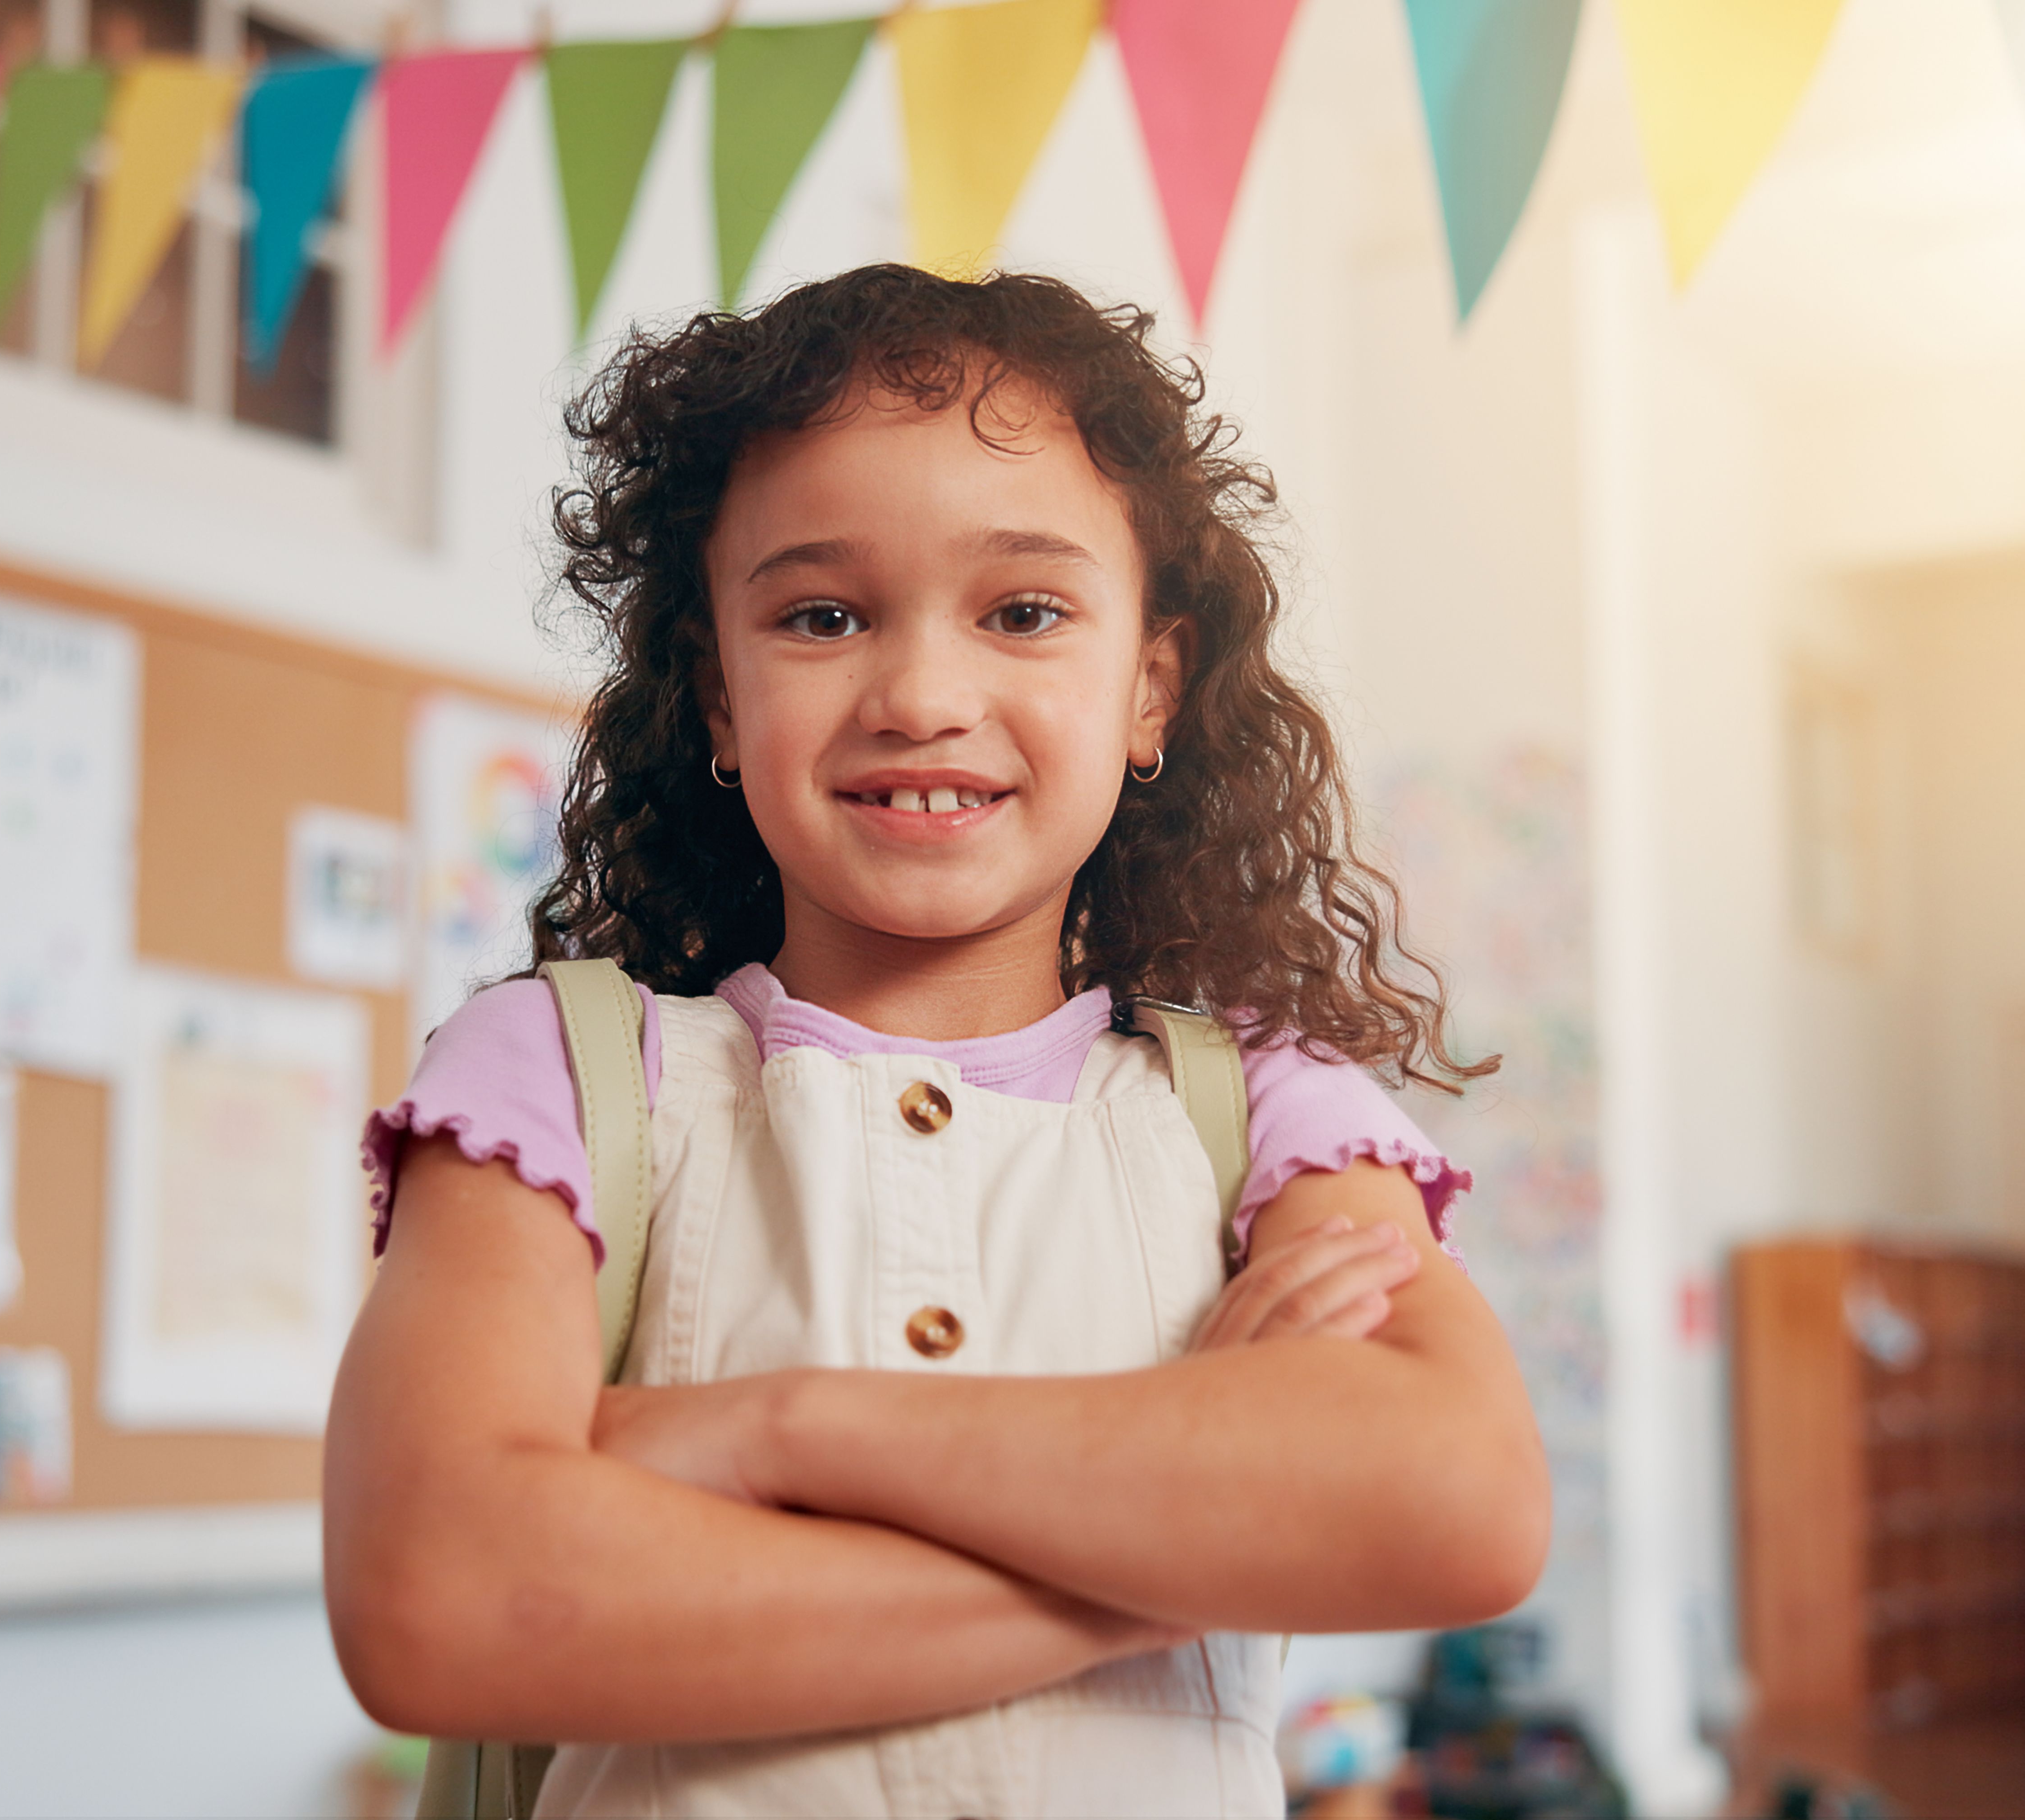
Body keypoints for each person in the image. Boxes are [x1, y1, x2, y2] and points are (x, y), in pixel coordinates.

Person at [325, 265, 1547, 1817]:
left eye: (1025, 611)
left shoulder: (1265, 1105)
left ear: (1149, 688)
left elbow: (1462, 1504)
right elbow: (440, 1599)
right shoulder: (559, 1077)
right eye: (821, 614)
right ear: (718, 692)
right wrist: (1176, 1545)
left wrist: (780, 1429)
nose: (920, 692)